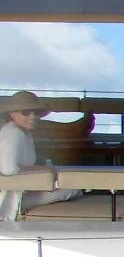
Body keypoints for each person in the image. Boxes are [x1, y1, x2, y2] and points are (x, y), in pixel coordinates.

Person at [0, 91, 83, 220]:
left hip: (20, 191)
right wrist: (45, 170)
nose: (32, 116)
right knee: (73, 188)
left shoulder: (23, 133)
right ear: (12, 114)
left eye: (36, 112)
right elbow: (8, 169)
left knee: (72, 186)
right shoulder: (13, 133)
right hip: (8, 199)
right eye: (26, 112)